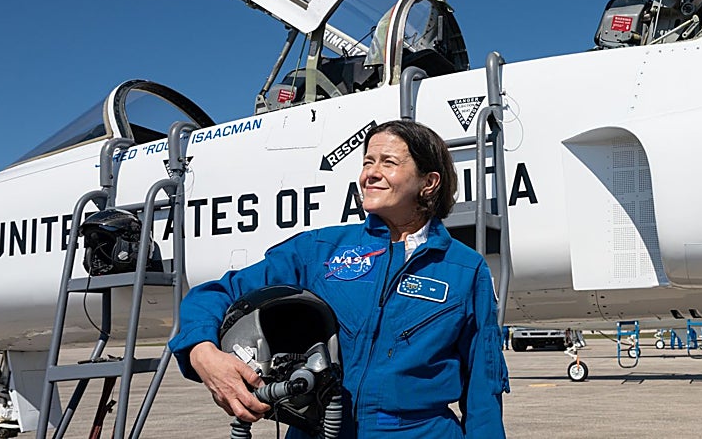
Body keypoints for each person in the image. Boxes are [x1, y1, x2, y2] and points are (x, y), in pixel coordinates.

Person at [168, 120, 509, 438]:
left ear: (428, 182)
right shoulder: (319, 250)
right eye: (367, 162)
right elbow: (216, 294)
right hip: (320, 428)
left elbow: (483, 389)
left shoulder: (465, 270)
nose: (370, 175)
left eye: (388, 162)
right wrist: (202, 353)